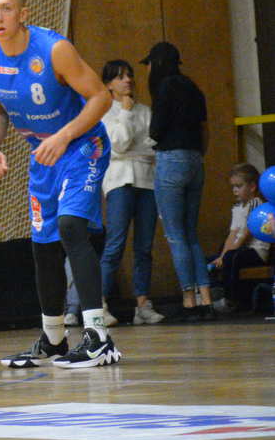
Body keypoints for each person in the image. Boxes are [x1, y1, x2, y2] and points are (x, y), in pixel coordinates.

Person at [0, 0, 119, 369]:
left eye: (6, 9)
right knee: (44, 245)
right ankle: (53, 340)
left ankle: (98, 337)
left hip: (83, 145)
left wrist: (64, 135)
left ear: (23, 14)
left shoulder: (54, 49)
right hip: (43, 154)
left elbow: (101, 97)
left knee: (71, 227)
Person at [144, 41, 212, 321]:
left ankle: (188, 301)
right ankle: (206, 298)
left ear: (157, 64)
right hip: (196, 160)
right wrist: (197, 155)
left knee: (175, 235)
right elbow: (205, 129)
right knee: (191, 234)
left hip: (171, 160)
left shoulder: (164, 88)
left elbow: (156, 130)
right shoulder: (193, 88)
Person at [98, 59, 163, 325]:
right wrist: (124, 113)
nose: (127, 80)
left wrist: (133, 149)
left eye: (129, 75)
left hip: (147, 182)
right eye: (120, 77)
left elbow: (153, 147)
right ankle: (99, 305)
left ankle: (142, 305)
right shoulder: (104, 113)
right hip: (119, 182)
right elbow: (119, 145)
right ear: (109, 84)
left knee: (144, 247)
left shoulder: (146, 111)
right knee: (115, 244)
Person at [209, 163, 268, 314]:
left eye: (239, 186)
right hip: (239, 249)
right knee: (211, 260)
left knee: (232, 258)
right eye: (233, 187)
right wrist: (221, 256)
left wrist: (227, 255)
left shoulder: (256, 203)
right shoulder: (237, 208)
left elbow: (246, 234)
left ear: (252, 187)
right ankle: (215, 293)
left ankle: (232, 299)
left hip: (256, 252)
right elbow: (232, 234)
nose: (235, 190)